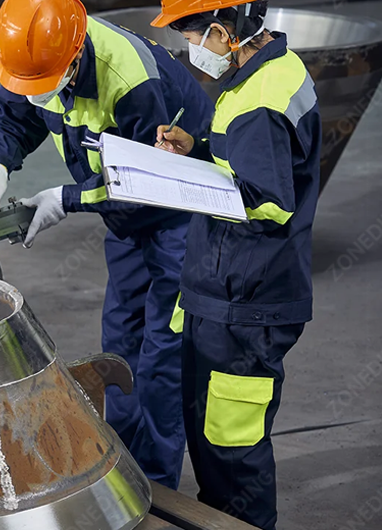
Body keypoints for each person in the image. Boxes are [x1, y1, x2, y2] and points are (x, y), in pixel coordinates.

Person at [0, 0, 213, 489]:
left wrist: (65, 200)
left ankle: (156, 488)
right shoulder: (37, 59)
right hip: (125, 220)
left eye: (44, 85)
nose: (38, 95)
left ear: (76, 57)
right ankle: (120, 470)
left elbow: (147, 179)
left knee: (161, 359)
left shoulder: (132, 82)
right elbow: (14, 114)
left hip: (182, 215)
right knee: (120, 348)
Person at [151, 1, 320, 528]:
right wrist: (199, 149)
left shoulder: (261, 101)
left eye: (192, 39)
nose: (192, 52)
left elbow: (269, 201)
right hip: (230, 293)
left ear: (222, 32)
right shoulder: (270, 70)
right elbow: (251, 160)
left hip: (245, 304)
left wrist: (182, 186)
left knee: (232, 457)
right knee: (216, 444)